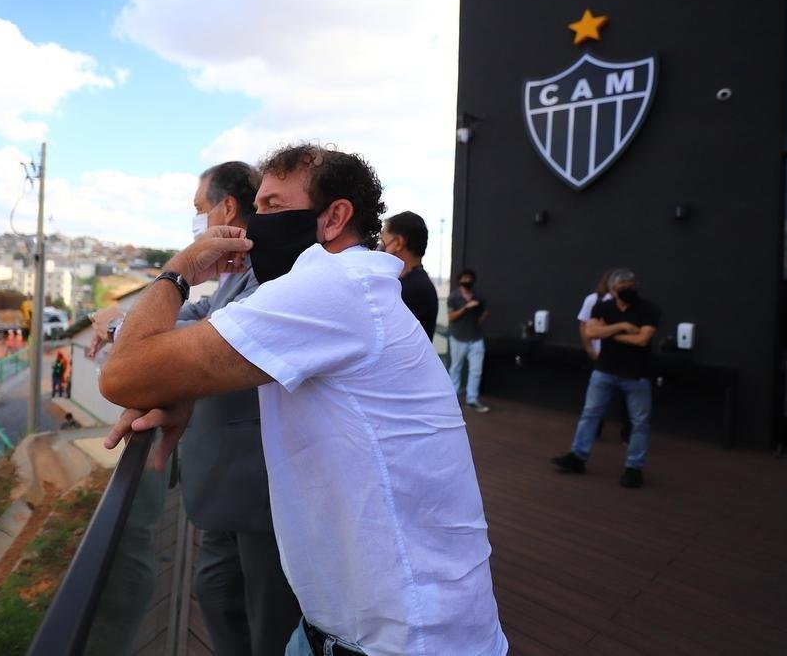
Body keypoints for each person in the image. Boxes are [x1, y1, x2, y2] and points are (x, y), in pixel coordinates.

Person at [100, 144, 506, 656]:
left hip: (406, 638)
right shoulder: (348, 289)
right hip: (340, 627)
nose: (256, 223)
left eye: (271, 207)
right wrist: (183, 387)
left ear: (334, 217)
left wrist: (180, 269)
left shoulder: (334, 286)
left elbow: (123, 374)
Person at [91, 160, 301, 656]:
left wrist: (177, 271)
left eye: (198, 209)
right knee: (218, 593)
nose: (197, 221)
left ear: (226, 207)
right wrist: (129, 319)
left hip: (257, 486)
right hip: (226, 484)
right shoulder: (242, 271)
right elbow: (197, 316)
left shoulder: (275, 271)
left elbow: (209, 338)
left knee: (266, 616)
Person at [551, 268, 660, 489]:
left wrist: (608, 332)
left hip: (636, 375)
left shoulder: (648, 309)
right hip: (604, 371)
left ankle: (634, 468)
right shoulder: (602, 306)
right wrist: (621, 327)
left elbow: (642, 339)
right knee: (590, 414)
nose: (627, 290)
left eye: (630, 286)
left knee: (639, 423)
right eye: (622, 287)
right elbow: (590, 333)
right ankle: (578, 457)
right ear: (613, 289)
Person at [577, 269, 631, 443]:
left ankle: (627, 433)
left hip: (623, 357)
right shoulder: (593, 300)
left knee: (626, 397)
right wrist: (589, 349)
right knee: (595, 399)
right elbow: (583, 326)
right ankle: (594, 430)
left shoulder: (628, 303)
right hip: (600, 356)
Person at [381, 211, 438, 340]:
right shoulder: (417, 282)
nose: (380, 247)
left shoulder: (408, 289)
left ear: (399, 243)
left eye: (382, 240)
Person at [447, 268, 490, 412]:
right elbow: (450, 317)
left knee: (476, 370)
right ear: (459, 280)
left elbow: (483, 314)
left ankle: (472, 399)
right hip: (458, 337)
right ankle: (452, 401)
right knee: (455, 368)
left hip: (476, 338)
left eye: (469, 278)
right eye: (464, 278)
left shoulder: (478, 297)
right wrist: (466, 307)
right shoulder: (454, 296)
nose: (467, 281)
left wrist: (482, 316)